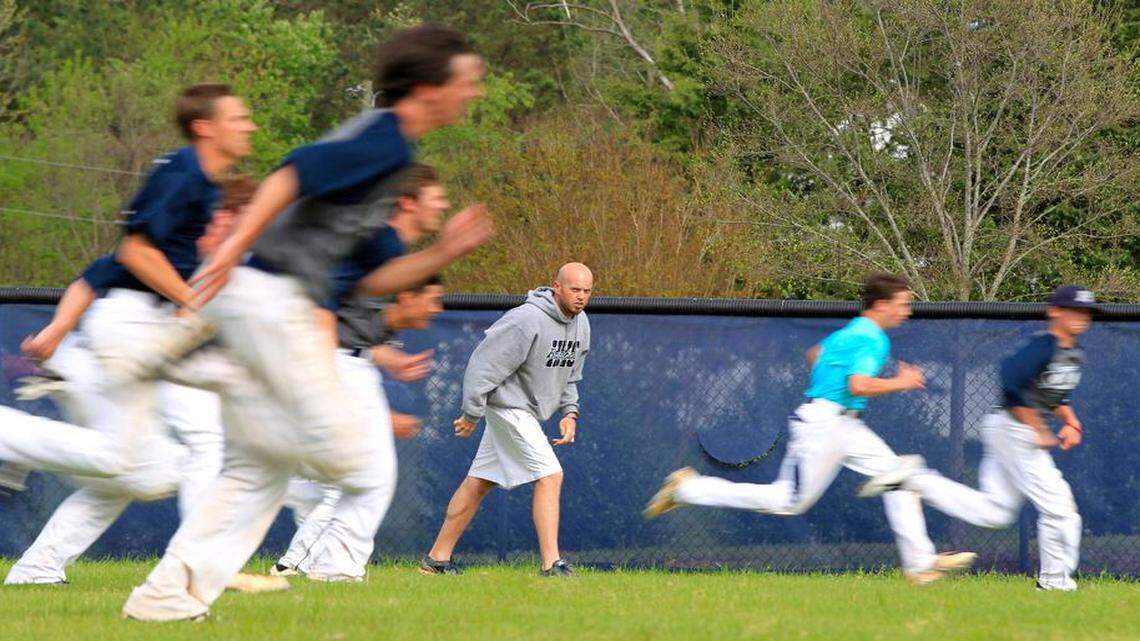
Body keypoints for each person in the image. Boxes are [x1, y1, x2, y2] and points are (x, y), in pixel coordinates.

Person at [121, 24, 492, 621]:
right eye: (468, 81)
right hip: (272, 300)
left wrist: (443, 253)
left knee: (259, 469)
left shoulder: (394, 158)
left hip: (268, 298)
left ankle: (165, 598)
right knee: (351, 460)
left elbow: (371, 279)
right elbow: (294, 171)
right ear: (428, 87)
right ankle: (213, 367)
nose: (474, 93)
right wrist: (234, 241)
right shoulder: (387, 139)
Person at [4, 177, 258, 587]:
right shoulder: (176, 248)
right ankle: (14, 433)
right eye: (246, 222)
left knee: (123, 479)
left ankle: (37, 568)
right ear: (224, 215)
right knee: (166, 456)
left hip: (120, 371)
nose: (250, 236)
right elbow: (95, 276)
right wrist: (57, 329)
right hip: (94, 365)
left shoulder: (224, 265)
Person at [644, 273, 976, 585]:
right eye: (902, 304)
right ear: (881, 305)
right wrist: (901, 382)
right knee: (788, 500)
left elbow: (815, 355)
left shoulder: (851, 332)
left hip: (843, 425)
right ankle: (687, 489)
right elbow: (858, 385)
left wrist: (831, 384)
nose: (907, 311)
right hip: (825, 427)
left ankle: (919, 564)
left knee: (898, 477)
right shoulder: (873, 339)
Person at [860, 284, 1092, 591]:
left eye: (1085, 312)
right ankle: (1054, 582)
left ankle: (914, 480)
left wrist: (1070, 421)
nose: (1080, 317)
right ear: (1055, 311)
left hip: (1011, 429)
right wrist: (1037, 428)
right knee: (1059, 508)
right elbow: (1010, 381)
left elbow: (1052, 395)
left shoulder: (1072, 353)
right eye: (1073, 309)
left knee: (996, 511)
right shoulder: (1042, 346)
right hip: (1014, 429)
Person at [421, 263, 592, 577]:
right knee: (551, 475)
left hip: (526, 412)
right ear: (557, 286)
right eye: (574, 289)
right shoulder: (526, 319)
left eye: (586, 291)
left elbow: (571, 377)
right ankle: (551, 564)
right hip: (507, 407)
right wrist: (472, 412)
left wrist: (570, 413)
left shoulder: (581, 324)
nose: (581, 297)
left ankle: (436, 560)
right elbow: (483, 364)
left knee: (479, 482)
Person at [274, 277, 445, 581]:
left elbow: (352, 347)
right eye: (432, 299)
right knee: (351, 483)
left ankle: (310, 564)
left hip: (313, 390)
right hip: (303, 386)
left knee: (321, 489)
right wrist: (380, 417)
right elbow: (326, 348)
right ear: (406, 296)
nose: (437, 309)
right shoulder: (360, 297)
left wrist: (382, 357)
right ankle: (297, 564)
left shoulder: (368, 321)